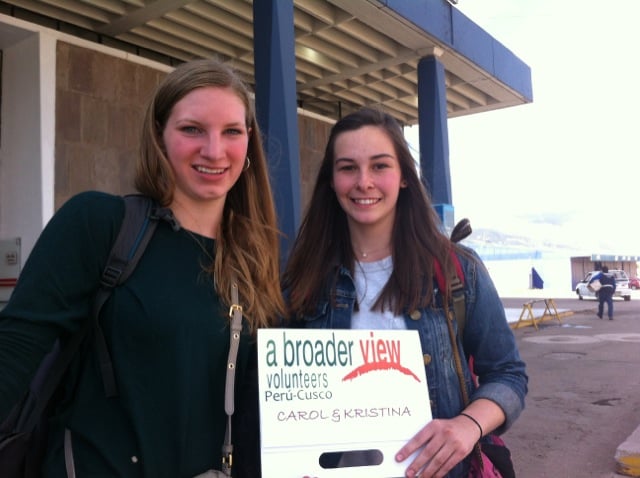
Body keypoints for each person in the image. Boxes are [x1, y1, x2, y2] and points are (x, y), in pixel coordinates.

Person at [0, 58, 284, 477]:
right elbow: (15, 352)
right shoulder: (100, 224)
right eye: (192, 129)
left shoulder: (255, 260)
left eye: (231, 132)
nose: (213, 150)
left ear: (248, 146)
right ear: (158, 136)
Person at [282, 107, 528, 478]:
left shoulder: (457, 271)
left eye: (380, 166)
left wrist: (467, 425)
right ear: (331, 181)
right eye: (348, 167)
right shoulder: (303, 279)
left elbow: (508, 374)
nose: (364, 181)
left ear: (404, 178)